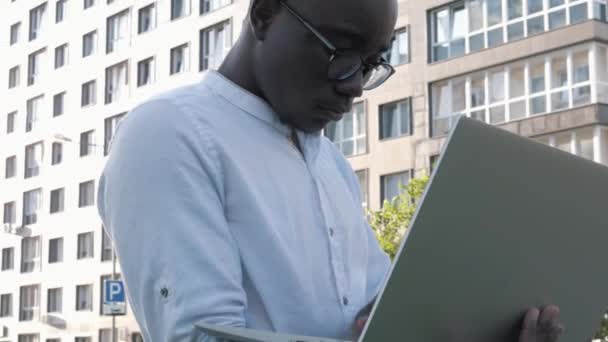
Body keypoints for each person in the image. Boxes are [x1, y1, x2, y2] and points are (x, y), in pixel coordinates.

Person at [96, 0, 564, 341]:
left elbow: (372, 310)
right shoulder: (169, 132)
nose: (356, 86)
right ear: (264, 14)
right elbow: (202, 336)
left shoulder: (331, 163)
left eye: (372, 63)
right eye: (341, 52)